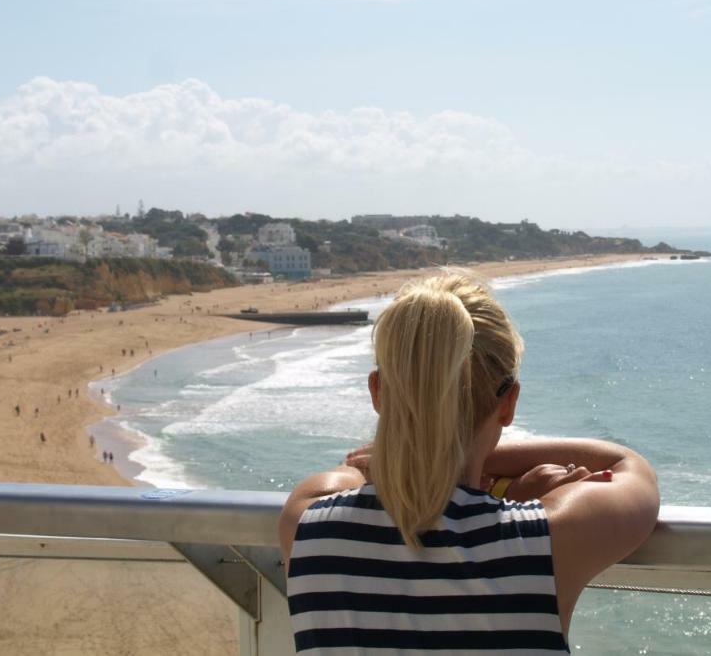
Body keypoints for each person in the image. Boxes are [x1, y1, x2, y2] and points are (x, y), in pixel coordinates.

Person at [279, 273, 659, 654]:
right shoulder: (543, 540)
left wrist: (418, 448)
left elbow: (355, 468)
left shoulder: (305, 525)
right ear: (509, 403)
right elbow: (628, 465)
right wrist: (506, 491)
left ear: (378, 392)